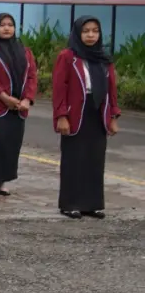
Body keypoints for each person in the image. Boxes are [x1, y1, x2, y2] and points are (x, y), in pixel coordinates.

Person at [53, 16, 120, 219]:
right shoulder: (68, 56)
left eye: (95, 31)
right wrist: (61, 115)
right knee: (74, 159)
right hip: (75, 113)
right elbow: (59, 87)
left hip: (98, 112)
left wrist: (113, 116)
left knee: (95, 159)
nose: (91, 35)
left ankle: (92, 204)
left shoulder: (103, 59)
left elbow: (111, 90)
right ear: (77, 33)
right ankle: (70, 203)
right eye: (86, 31)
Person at [0, 13, 37, 196]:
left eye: (10, 25)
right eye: (2, 25)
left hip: (19, 107)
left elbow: (31, 77)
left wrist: (27, 99)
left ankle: (1, 180)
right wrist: (3, 96)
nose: (6, 28)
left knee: (11, 144)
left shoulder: (24, 51)